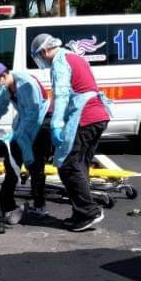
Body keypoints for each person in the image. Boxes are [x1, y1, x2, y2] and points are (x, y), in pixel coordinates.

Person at [30, 33, 113, 232]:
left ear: (45, 50)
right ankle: (81, 213)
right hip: (99, 116)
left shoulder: (60, 61)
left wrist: (56, 124)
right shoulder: (74, 56)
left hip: (86, 117)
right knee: (80, 165)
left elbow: (62, 94)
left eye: (41, 57)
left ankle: (89, 211)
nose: (43, 61)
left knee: (67, 165)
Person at [0, 61, 52, 223]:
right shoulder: (7, 86)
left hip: (41, 122)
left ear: (4, 75)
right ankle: (6, 203)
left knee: (35, 166)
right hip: (24, 120)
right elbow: (2, 105)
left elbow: (33, 114)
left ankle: (39, 205)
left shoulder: (27, 84)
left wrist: (18, 133)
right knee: (11, 162)